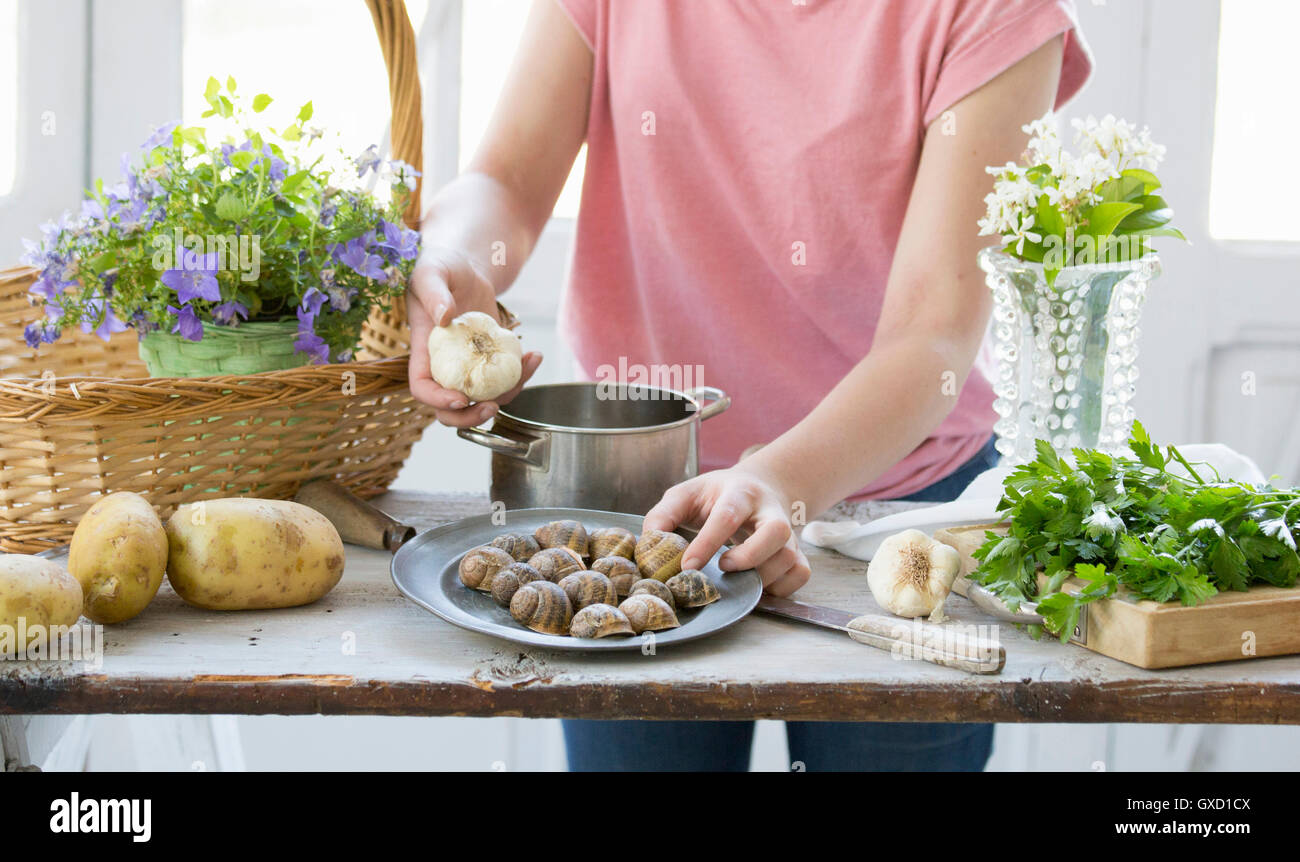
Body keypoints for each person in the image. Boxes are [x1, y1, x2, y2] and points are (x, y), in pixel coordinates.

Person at [407, 0, 1092, 771]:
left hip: (894, 519)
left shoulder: (995, 13)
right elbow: (505, 178)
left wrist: (779, 479)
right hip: (640, 508)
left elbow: (931, 335)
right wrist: (458, 258)